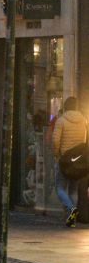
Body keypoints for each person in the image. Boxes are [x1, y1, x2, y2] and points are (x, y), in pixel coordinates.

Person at [52, 97, 88, 226]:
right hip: (78, 161)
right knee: (73, 189)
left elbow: (56, 140)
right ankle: (71, 220)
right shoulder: (84, 121)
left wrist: (57, 154)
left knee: (60, 187)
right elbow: (84, 141)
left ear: (66, 107)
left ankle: (71, 209)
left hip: (64, 159)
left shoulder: (61, 121)